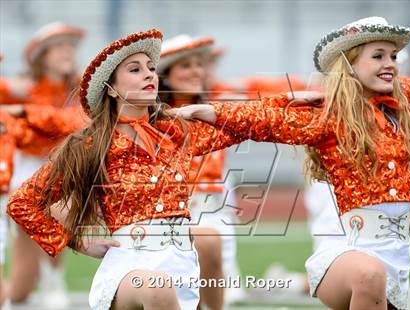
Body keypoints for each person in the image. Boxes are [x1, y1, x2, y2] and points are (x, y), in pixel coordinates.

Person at [173, 16, 410, 310]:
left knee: (376, 280)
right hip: (347, 255)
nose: (389, 63)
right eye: (377, 56)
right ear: (350, 65)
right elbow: (265, 120)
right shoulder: (330, 117)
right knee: (369, 275)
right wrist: (211, 111)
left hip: (397, 257)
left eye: (393, 56)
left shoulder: (404, 108)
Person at [7, 29, 247, 310]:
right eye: (135, 69)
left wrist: (302, 104)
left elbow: (253, 122)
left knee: (199, 253)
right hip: (129, 270)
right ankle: (52, 281)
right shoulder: (91, 143)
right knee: (159, 289)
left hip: (181, 267)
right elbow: (23, 203)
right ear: (111, 88)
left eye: (152, 68)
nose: (149, 74)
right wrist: (76, 240)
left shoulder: (176, 132)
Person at [0, 22, 85, 307]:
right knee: (19, 292)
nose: (68, 52)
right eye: (59, 46)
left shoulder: (81, 90)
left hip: (64, 166)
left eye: (70, 46)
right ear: (41, 55)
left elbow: (82, 124)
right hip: (24, 167)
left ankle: (53, 279)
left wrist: (30, 111)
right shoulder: (23, 89)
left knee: (56, 209)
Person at [158, 34, 245, 309]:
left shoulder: (219, 107)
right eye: (185, 65)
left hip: (215, 210)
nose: (196, 71)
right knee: (185, 291)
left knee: (217, 294)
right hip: (170, 213)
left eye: (199, 64)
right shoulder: (153, 116)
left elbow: (267, 106)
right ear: (166, 76)